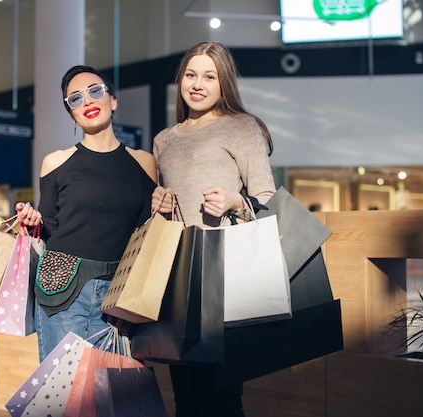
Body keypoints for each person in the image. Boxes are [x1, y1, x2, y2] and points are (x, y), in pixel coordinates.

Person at [151, 41, 276, 417]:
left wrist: (237, 202)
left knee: (222, 397)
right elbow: (166, 212)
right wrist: (157, 207)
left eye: (210, 76)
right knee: (185, 397)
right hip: (176, 275)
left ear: (225, 84)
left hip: (225, 275)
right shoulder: (164, 139)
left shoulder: (242, 127)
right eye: (191, 74)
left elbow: (269, 201)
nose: (198, 84)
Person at [14, 65, 157, 361]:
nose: (88, 102)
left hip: (121, 294)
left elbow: (146, 235)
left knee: (118, 399)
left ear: (113, 100)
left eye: (95, 91)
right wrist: (32, 223)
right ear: (71, 114)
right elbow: (49, 229)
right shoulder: (55, 162)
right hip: (62, 293)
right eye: (75, 99)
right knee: (66, 399)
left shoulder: (144, 162)